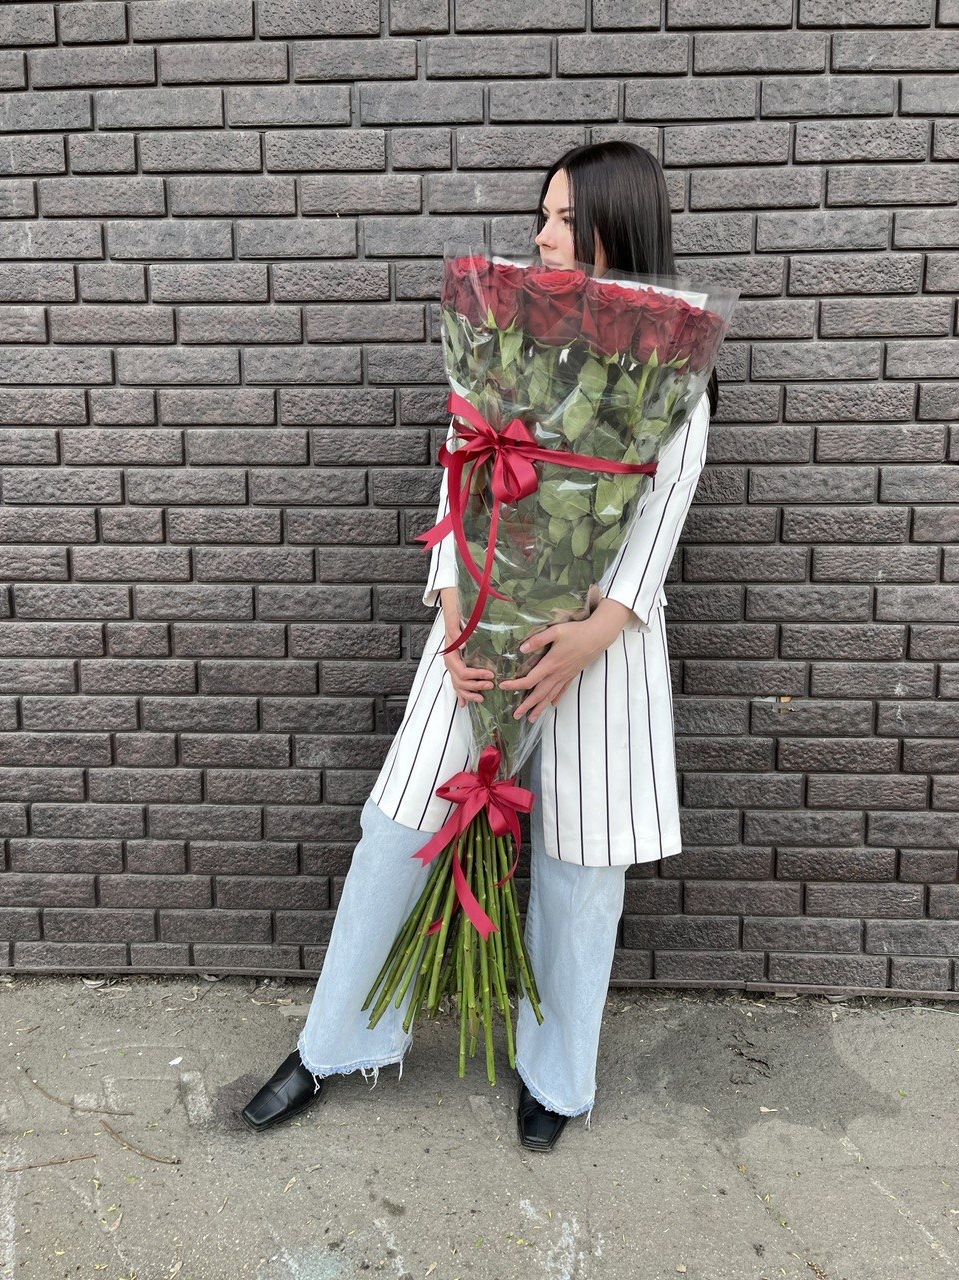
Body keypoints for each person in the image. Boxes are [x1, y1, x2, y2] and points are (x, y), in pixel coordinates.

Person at [240, 141, 719, 1152]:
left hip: (598, 651)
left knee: (582, 867)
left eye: (565, 220)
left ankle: (556, 1075)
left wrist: (589, 637)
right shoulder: (506, 337)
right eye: (542, 216)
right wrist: (455, 611)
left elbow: (657, 527)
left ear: (618, 228)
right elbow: (460, 474)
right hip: (477, 628)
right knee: (397, 827)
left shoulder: (674, 370)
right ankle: (332, 1044)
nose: (542, 236)